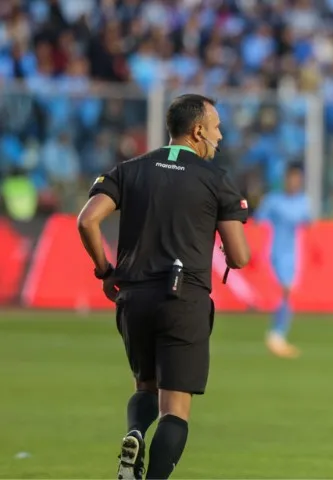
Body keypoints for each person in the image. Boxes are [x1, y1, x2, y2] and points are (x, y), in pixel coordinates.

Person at [76, 94, 251, 480]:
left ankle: (135, 432)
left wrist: (105, 271)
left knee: (145, 387)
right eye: (217, 127)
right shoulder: (215, 179)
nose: (220, 136)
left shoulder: (129, 169)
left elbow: (87, 221)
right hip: (182, 297)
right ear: (197, 130)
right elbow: (239, 257)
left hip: (133, 297)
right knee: (175, 409)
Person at [254, 162, 311, 358]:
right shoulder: (273, 200)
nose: (295, 182)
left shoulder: (304, 201)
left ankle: (277, 335)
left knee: (287, 294)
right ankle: (276, 335)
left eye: (298, 178)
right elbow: (259, 223)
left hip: (293, 254)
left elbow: (308, 223)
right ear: (285, 179)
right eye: (292, 178)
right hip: (274, 252)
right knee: (284, 292)